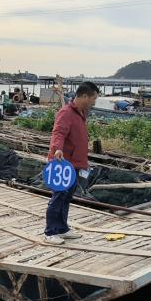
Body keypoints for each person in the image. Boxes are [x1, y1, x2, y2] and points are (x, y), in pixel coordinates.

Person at [44, 81, 99, 244]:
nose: (94, 102)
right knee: (58, 196)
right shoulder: (66, 112)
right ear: (84, 96)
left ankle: (62, 228)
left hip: (76, 163)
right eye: (93, 99)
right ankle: (50, 232)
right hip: (63, 163)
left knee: (67, 197)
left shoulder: (81, 112)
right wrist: (57, 149)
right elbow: (58, 133)